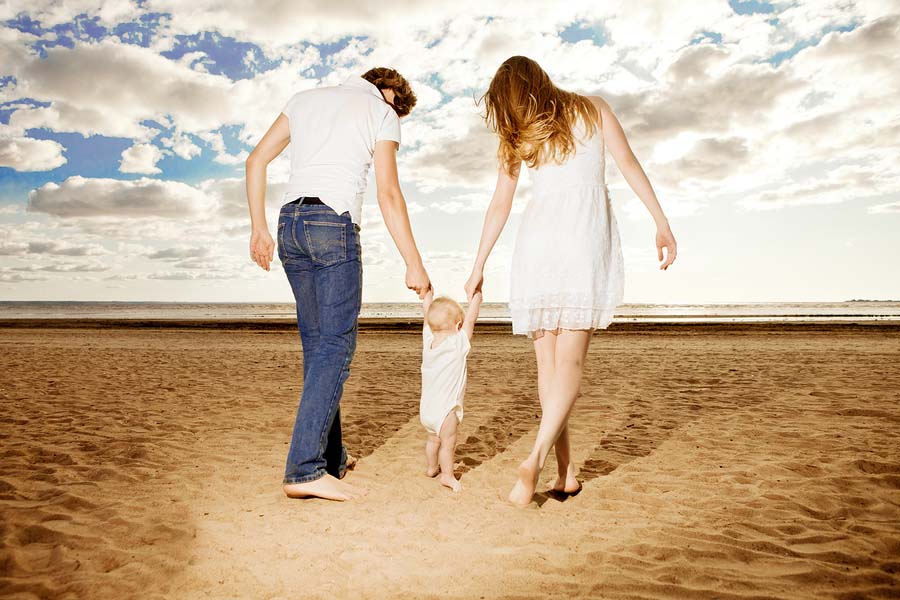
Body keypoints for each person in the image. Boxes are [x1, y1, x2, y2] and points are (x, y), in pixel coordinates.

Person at [464, 56, 677, 506]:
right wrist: (661, 222)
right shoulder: (593, 108)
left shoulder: (521, 134)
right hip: (581, 242)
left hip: (538, 245)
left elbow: (499, 204)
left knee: (549, 369)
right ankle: (538, 458)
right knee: (570, 367)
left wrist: (478, 263)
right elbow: (629, 165)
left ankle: (567, 474)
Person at [246, 67, 431, 502]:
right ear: (387, 90)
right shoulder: (379, 111)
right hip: (334, 224)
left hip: (290, 223)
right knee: (335, 347)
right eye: (395, 105)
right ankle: (304, 470)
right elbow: (388, 193)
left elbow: (255, 161)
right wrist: (414, 263)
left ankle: (332, 458)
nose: (394, 114)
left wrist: (258, 229)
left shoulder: (305, 98)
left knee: (318, 348)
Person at [419, 289, 482, 492]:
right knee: (448, 443)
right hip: (446, 411)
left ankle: (431, 468)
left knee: (433, 439)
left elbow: (426, 319)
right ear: (458, 326)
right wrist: (476, 299)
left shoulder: (428, 341)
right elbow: (471, 321)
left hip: (427, 410)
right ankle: (447, 475)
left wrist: (427, 296)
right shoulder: (457, 344)